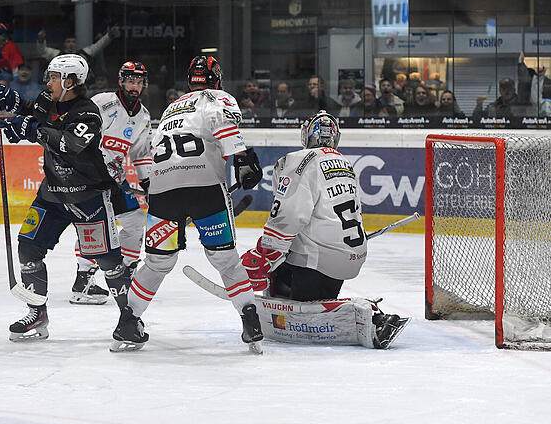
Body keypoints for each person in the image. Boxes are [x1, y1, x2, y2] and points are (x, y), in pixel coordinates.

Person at [0, 54, 134, 348]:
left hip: (88, 196)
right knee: (28, 247)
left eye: (53, 77)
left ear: (70, 81)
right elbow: (32, 112)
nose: (48, 82)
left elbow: (71, 143)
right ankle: (37, 313)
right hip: (52, 193)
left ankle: (129, 317)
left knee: (108, 261)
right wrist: (10, 101)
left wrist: (32, 129)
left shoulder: (87, 113)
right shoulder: (48, 99)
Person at [126, 55, 265, 353]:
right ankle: (250, 320)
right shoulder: (218, 97)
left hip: (162, 190)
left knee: (157, 262)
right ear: (217, 78)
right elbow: (222, 124)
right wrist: (241, 158)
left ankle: (128, 322)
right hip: (205, 187)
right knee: (226, 259)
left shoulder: (170, 108)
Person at [240, 111, 409, 349]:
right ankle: (320, 303)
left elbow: (288, 216)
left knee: (277, 277)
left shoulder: (300, 160)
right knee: (301, 278)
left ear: (306, 135)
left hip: (317, 262)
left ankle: (363, 314)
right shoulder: (345, 163)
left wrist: (264, 254)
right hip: (349, 260)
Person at [68, 61, 153, 305]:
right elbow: (75, 130)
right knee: (95, 228)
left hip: (116, 179)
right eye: (130, 81)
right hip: (88, 178)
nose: (134, 86)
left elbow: (141, 153)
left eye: (138, 82)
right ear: (120, 81)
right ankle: (83, 281)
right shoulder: (103, 102)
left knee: (136, 223)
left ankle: (124, 274)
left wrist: (147, 182)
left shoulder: (144, 116)